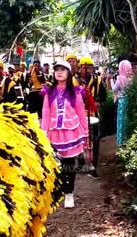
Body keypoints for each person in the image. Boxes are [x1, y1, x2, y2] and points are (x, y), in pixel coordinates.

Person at [41, 60, 89, 209]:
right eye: (57, 70)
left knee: (69, 164)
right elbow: (46, 113)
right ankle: (60, 190)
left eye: (63, 69)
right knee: (57, 164)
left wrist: (85, 133)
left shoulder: (75, 91)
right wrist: (43, 133)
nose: (59, 72)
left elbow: (81, 113)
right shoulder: (49, 92)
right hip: (54, 133)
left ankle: (69, 193)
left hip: (71, 131)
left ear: (68, 73)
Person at [77, 56, 107, 179]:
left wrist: (98, 102)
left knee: (95, 141)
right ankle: (80, 163)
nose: (87, 69)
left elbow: (103, 95)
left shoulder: (97, 80)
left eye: (89, 67)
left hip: (93, 115)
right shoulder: (74, 80)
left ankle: (93, 167)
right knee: (79, 141)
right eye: (84, 67)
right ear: (80, 68)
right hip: (77, 117)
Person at [113, 60, 133, 146]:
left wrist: (111, 81)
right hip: (128, 100)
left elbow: (114, 89)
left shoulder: (120, 79)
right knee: (127, 119)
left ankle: (120, 141)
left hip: (121, 101)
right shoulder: (131, 79)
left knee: (121, 120)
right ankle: (127, 139)